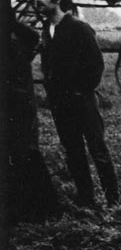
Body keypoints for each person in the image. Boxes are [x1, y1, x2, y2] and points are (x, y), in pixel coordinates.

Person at [37, 0, 119, 210]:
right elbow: (47, 64)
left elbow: (96, 64)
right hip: (60, 103)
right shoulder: (47, 30)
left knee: (97, 149)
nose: (38, 3)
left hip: (82, 100)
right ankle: (86, 200)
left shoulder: (79, 27)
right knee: (73, 151)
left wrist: (81, 90)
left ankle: (113, 201)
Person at [5, 4, 63, 223]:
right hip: (19, 108)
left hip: (17, 108)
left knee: (24, 155)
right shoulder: (19, 43)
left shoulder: (13, 46)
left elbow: (31, 39)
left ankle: (37, 210)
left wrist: (11, 24)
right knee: (22, 155)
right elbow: (32, 38)